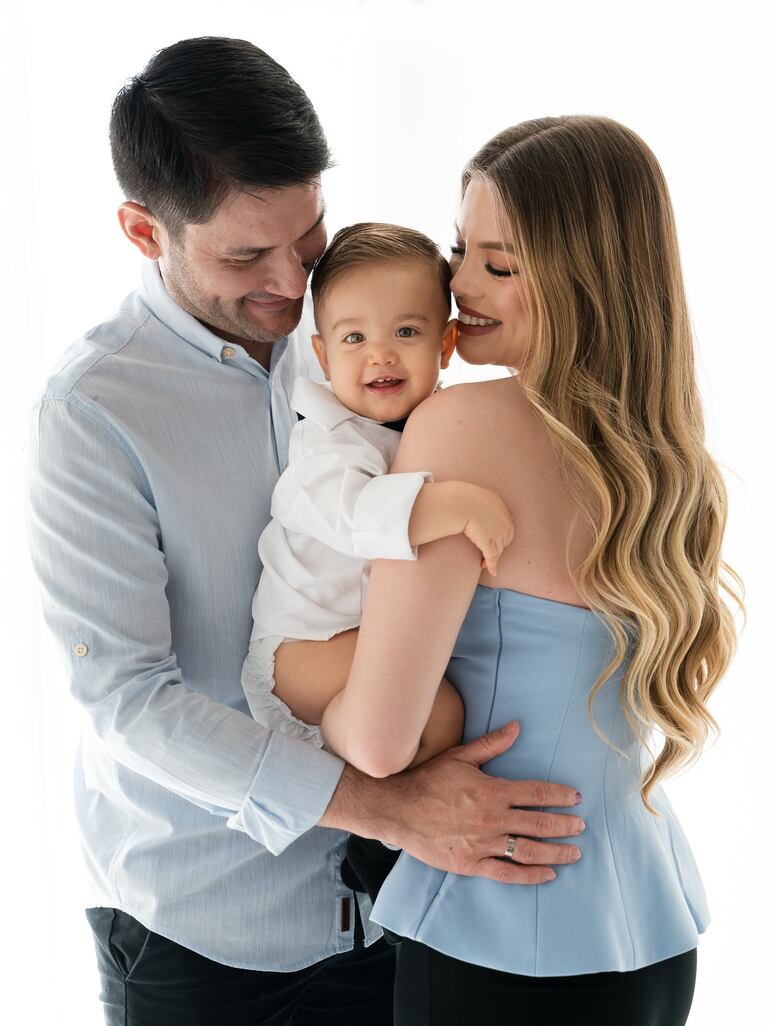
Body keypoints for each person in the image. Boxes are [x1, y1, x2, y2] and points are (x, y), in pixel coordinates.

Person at [26, 39, 585, 1025]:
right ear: (140, 230)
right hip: (203, 937)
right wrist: (385, 806)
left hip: (399, 912)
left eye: (310, 233)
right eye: (246, 255)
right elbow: (123, 696)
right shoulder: (92, 409)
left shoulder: (363, 331)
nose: (293, 281)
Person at [319, 116, 741, 1026]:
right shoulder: (671, 459)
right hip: (651, 932)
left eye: (499, 267)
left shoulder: (463, 428)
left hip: (500, 928)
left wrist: (284, 687)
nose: (457, 284)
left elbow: (381, 741)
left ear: (586, 280)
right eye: (460, 248)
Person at [241, 221, 514, 765]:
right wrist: (461, 506)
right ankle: (357, 792)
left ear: (447, 344)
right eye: (354, 338)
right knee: (438, 713)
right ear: (323, 356)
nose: (381, 355)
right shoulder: (326, 443)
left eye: (406, 333)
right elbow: (358, 518)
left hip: (357, 636)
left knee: (442, 703)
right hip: (304, 650)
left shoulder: (435, 424)